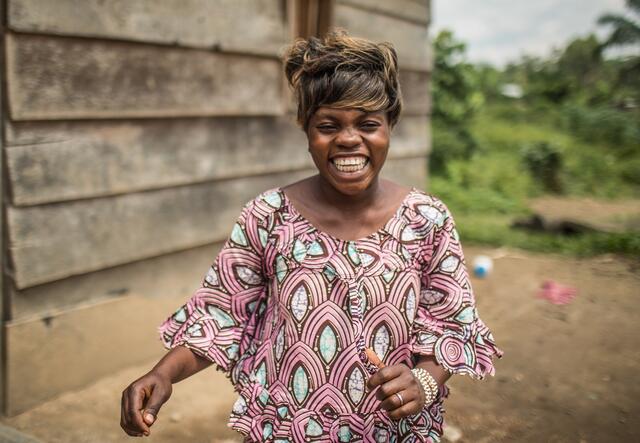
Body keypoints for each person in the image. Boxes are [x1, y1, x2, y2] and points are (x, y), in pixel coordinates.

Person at [120, 31, 502, 442]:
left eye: (368, 124)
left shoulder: (427, 220)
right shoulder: (268, 216)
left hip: (391, 431)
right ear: (307, 130)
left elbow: (449, 323)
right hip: (288, 431)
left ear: (391, 126)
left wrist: (423, 383)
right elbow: (223, 314)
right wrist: (163, 374)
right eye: (328, 124)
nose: (349, 138)